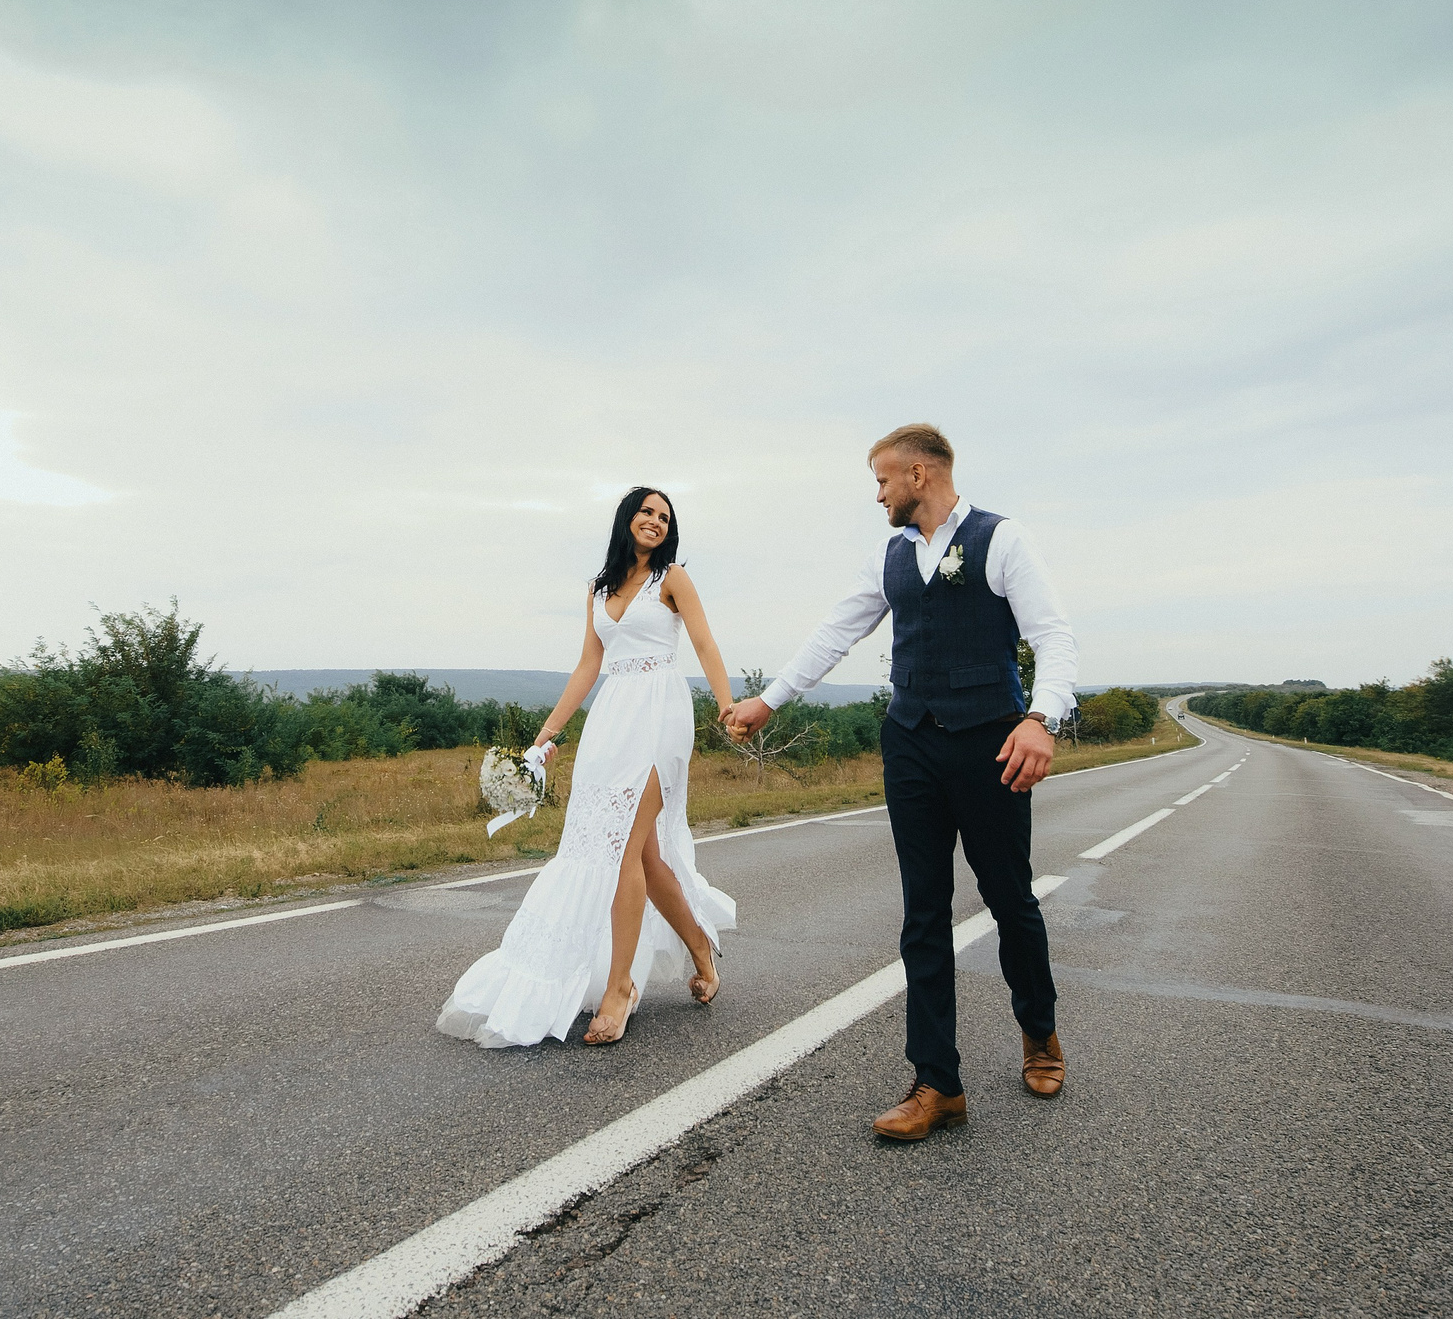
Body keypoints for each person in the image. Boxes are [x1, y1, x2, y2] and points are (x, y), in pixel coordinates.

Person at [724, 424, 1077, 1139]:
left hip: (991, 743)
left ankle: (1039, 1031)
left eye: (883, 480)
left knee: (1010, 899)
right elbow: (836, 631)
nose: (878, 495)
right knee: (923, 912)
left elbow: (1053, 636)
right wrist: (771, 699)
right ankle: (937, 1083)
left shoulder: (1001, 539)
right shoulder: (889, 556)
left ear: (919, 474)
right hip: (911, 741)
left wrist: (1040, 718)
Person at [438, 487, 737, 1048]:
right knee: (643, 854)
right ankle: (700, 948)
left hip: (660, 715)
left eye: (664, 517)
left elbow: (704, 643)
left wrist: (726, 706)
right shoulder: (599, 589)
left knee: (624, 847)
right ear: (628, 518)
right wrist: (545, 735)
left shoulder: (672, 578)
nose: (655, 521)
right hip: (612, 720)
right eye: (646, 511)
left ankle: (620, 988)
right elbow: (587, 666)